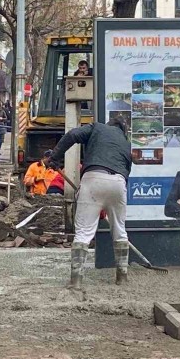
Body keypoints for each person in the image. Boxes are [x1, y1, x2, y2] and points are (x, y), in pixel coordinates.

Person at [46, 117, 132, 289]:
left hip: (93, 179)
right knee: (120, 231)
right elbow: (126, 172)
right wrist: (106, 203)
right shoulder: (125, 142)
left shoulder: (96, 128)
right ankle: (122, 277)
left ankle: (76, 281)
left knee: (83, 233)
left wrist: (54, 158)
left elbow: (72, 135)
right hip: (118, 183)